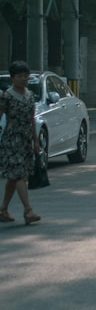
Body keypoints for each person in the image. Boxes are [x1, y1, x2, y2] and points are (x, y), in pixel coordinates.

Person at [0, 61, 42, 224]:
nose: (23, 79)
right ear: (12, 78)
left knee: (13, 178)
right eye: (19, 76)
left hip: (25, 140)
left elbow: (31, 119)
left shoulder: (30, 95)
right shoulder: (7, 96)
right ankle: (28, 210)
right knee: (20, 176)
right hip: (12, 140)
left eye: (26, 76)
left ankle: (3, 209)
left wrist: (36, 141)